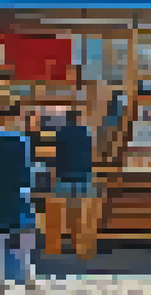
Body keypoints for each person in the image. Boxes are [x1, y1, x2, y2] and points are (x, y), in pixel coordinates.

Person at [0, 103, 38, 291]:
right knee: (26, 235)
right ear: (15, 117)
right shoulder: (22, 141)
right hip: (18, 193)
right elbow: (26, 171)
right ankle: (28, 277)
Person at [52, 110, 98, 259]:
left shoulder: (61, 133)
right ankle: (78, 244)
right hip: (83, 177)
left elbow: (56, 154)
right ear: (79, 118)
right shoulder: (87, 133)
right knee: (81, 213)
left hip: (64, 177)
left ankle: (59, 244)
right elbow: (92, 153)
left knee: (62, 213)